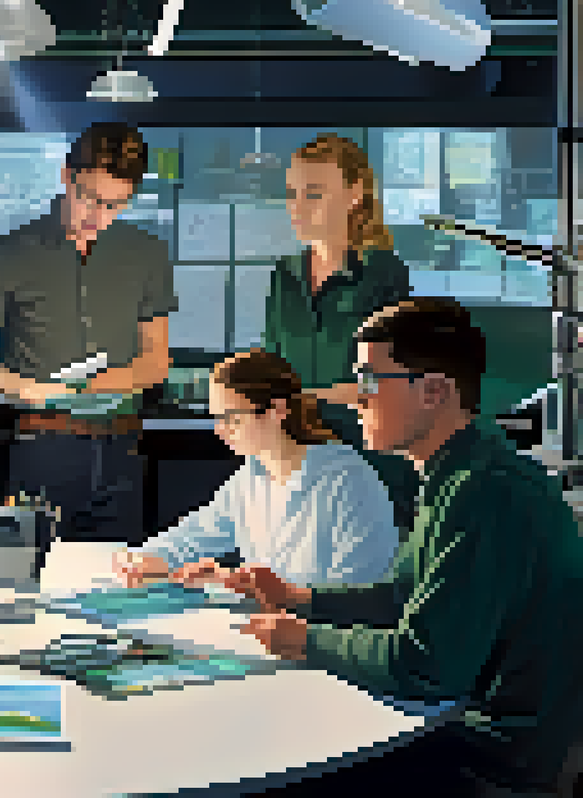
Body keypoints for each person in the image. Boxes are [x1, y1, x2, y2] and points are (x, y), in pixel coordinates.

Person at [226, 298, 583, 798]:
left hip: (493, 757)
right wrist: (297, 598)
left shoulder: (484, 491)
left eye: (371, 380)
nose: (355, 397)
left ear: (434, 391)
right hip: (465, 726)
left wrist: (302, 640)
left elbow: (424, 665)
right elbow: (404, 595)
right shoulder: (457, 470)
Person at [0, 122, 175, 545]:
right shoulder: (10, 252)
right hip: (42, 446)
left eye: (115, 205)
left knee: (115, 577)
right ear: (65, 176)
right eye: (89, 198)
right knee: (29, 573)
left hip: (122, 451)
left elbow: (156, 359)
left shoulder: (147, 253)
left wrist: (98, 385)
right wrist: (30, 389)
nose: (99, 216)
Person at [112, 347, 398, 588]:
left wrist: (232, 584)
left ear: (277, 410)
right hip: (267, 627)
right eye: (217, 418)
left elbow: (358, 598)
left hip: (321, 635)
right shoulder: (252, 477)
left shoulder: (347, 483)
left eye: (232, 418)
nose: (220, 431)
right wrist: (143, 559)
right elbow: (195, 534)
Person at [265, 133, 419, 536]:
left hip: (368, 462)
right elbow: (272, 367)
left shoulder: (383, 274)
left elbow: (384, 382)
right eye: (292, 194)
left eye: (314, 194)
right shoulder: (284, 274)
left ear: (355, 194)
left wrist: (306, 398)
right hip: (300, 462)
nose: (297, 207)